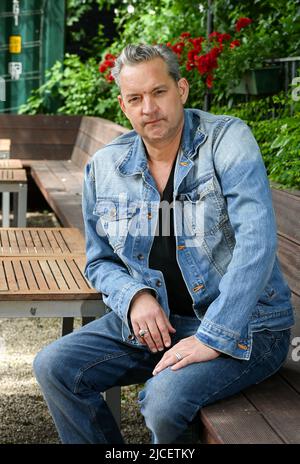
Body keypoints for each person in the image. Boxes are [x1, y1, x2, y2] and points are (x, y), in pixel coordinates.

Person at [33, 44, 294, 444]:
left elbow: (255, 246)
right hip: (161, 325)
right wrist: (135, 296)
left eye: (159, 92)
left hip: (246, 327)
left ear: (182, 90)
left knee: (162, 402)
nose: (148, 108)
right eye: (136, 98)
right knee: (54, 366)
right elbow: (100, 261)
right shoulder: (105, 167)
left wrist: (213, 336)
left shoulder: (226, 140)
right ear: (124, 106)